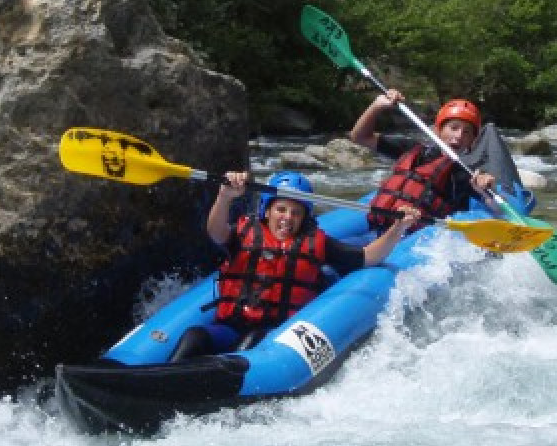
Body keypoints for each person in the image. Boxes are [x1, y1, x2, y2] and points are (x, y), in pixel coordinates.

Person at [168, 170, 420, 362]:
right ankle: (165, 381)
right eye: (281, 209)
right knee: (195, 335)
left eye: (296, 212)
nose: (287, 218)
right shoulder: (242, 233)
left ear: (304, 217)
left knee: (251, 342)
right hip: (231, 325)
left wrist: (398, 228)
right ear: (267, 211)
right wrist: (225, 197)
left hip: (275, 333)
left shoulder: (316, 243)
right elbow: (216, 232)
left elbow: (368, 257)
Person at [349, 90, 499, 231]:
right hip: (384, 223)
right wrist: (377, 106)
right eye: (454, 128)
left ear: (472, 140)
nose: (459, 135)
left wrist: (486, 191)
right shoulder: (412, 150)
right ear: (438, 131)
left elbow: (497, 211)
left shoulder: (466, 174)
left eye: (467, 132)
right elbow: (360, 137)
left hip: (419, 237)